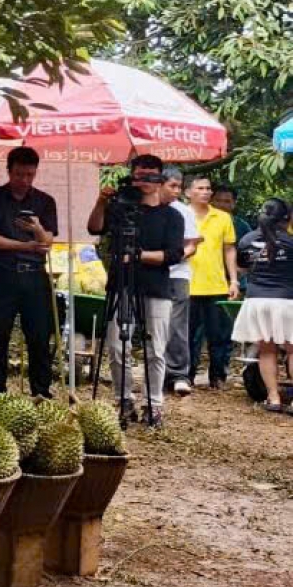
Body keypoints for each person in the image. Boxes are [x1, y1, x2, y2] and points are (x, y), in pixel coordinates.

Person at [86, 155, 185, 427]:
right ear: (132, 176)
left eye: (152, 176)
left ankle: (153, 404)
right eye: (140, 176)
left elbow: (174, 254)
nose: (146, 182)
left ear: (160, 179)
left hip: (156, 287)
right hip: (121, 284)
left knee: (156, 349)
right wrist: (102, 201)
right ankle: (124, 399)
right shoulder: (120, 208)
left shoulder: (171, 215)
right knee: (118, 347)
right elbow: (95, 228)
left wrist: (139, 256)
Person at [0, 146, 57, 398]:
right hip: (2, 271)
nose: (24, 180)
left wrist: (37, 229)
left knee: (40, 333)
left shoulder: (44, 201)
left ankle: (41, 390)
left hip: (34, 273)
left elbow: (48, 242)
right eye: (19, 174)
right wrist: (24, 245)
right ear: (9, 171)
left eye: (30, 175)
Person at [232, 198, 293, 414]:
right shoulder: (290, 242)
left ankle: (274, 398)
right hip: (286, 300)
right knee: (292, 349)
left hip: (257, 300)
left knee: (266, 349)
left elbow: (241, 268)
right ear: (287, 219)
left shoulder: (247, 240)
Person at [186, 177, 240, 390]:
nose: (206, 192)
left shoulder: (223, 217)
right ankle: (186, 376)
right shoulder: (181, 214)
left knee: (219, 335)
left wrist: (233, 280)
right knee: (188, 335)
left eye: (208, 188)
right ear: (188, 192)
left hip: (216, 284)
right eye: (200, 188)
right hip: (187, 284)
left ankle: (217, 378)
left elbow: (229, 248)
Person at [160, 167, 202, 397]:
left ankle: (178, 374)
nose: (176, 191)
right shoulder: (148, 209)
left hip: (177, 272)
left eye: (179, 186)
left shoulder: (183, 211)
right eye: (172, 186)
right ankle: (157, 371)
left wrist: (174, 257)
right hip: (152, 271)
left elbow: (192, 244)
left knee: (176, 324)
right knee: (154, 323)